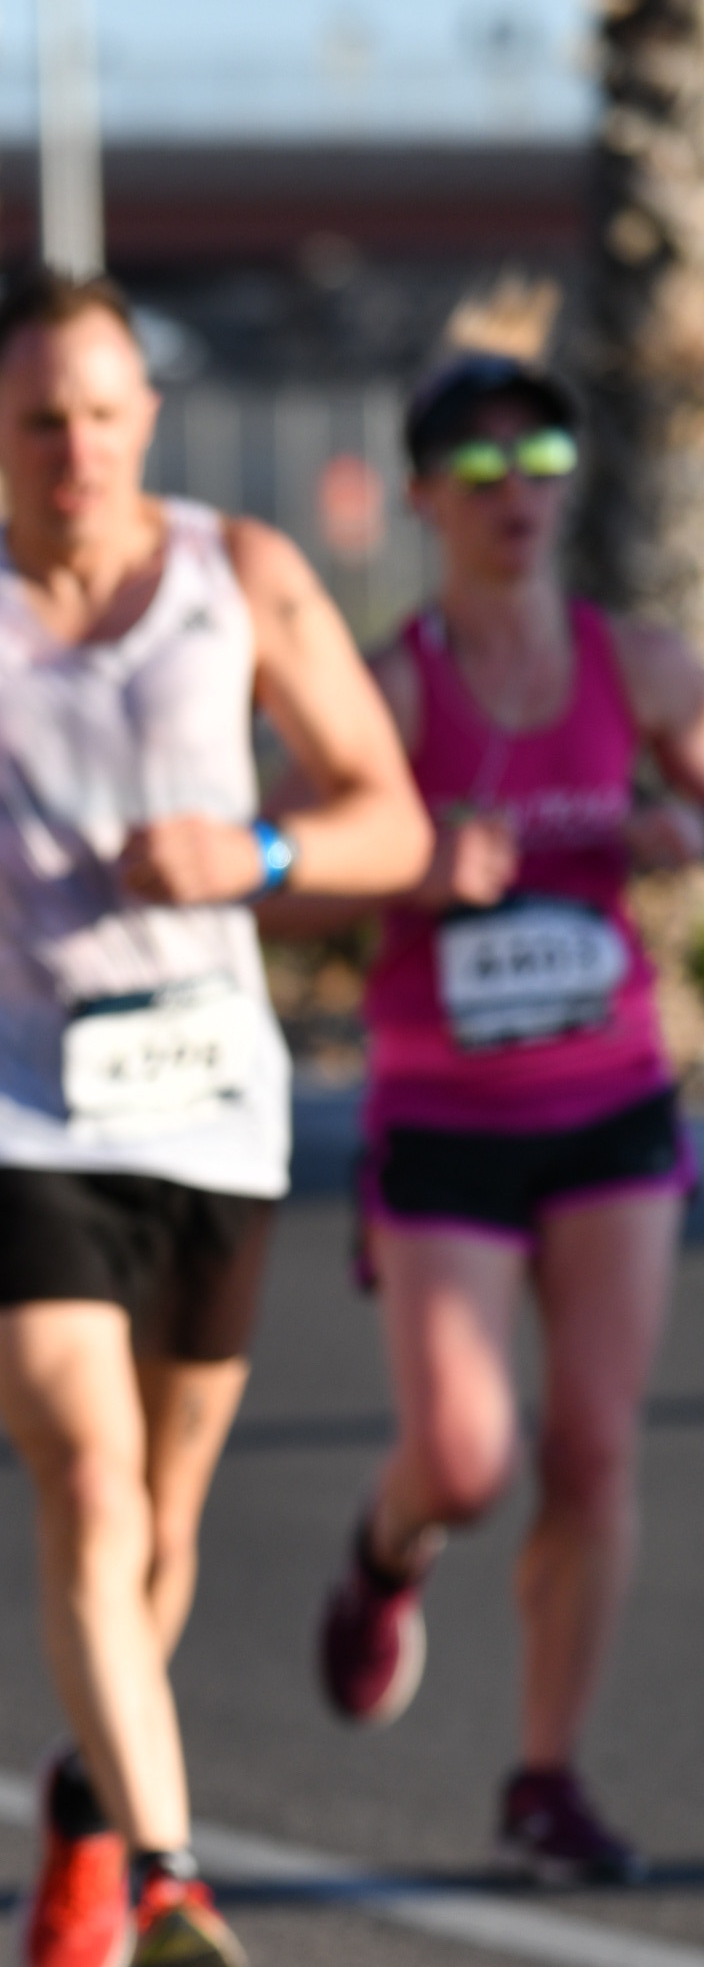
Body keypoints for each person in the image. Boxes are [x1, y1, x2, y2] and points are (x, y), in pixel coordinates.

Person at [0, 266, 430, 1967]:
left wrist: (257, 857)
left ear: (144, 417)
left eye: (100, 413)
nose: (73, 448)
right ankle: (171, 1882)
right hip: (10, 1102)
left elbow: (390, 819)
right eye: (38, 420)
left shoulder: (246, 578)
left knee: (163, 1522)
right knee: (89, 1479)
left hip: (207, 1098)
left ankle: (87, 1794)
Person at [288, 325, 699, 1884]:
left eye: (541, 456)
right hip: (447, 1123)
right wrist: (407, 862)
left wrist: (677, 828)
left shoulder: (637, 667)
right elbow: (273, 880)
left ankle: (545, 1776)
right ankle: (386, 1551)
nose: (515, 487)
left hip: (612, 1110)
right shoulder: (390, 689)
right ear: (424, 494)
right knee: (467, 1459)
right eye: (480, 460)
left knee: (593, 1452)